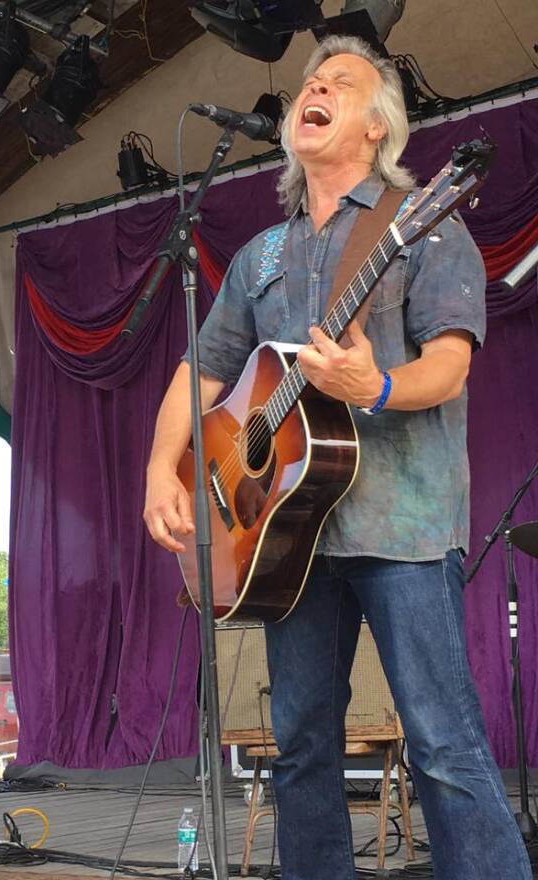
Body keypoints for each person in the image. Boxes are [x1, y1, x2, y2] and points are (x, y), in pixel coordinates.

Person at [143, 35, 531, 880]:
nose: (312, 89)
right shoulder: (261, 256)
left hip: (403, 523)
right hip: (286, 538)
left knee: (441, 739)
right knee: (303, 745)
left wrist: (376, 384)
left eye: (338, 83)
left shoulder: (422, 219)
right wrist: (159, 470)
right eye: (307, 84)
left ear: (375, 127)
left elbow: (452, 362)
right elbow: (202, 372)